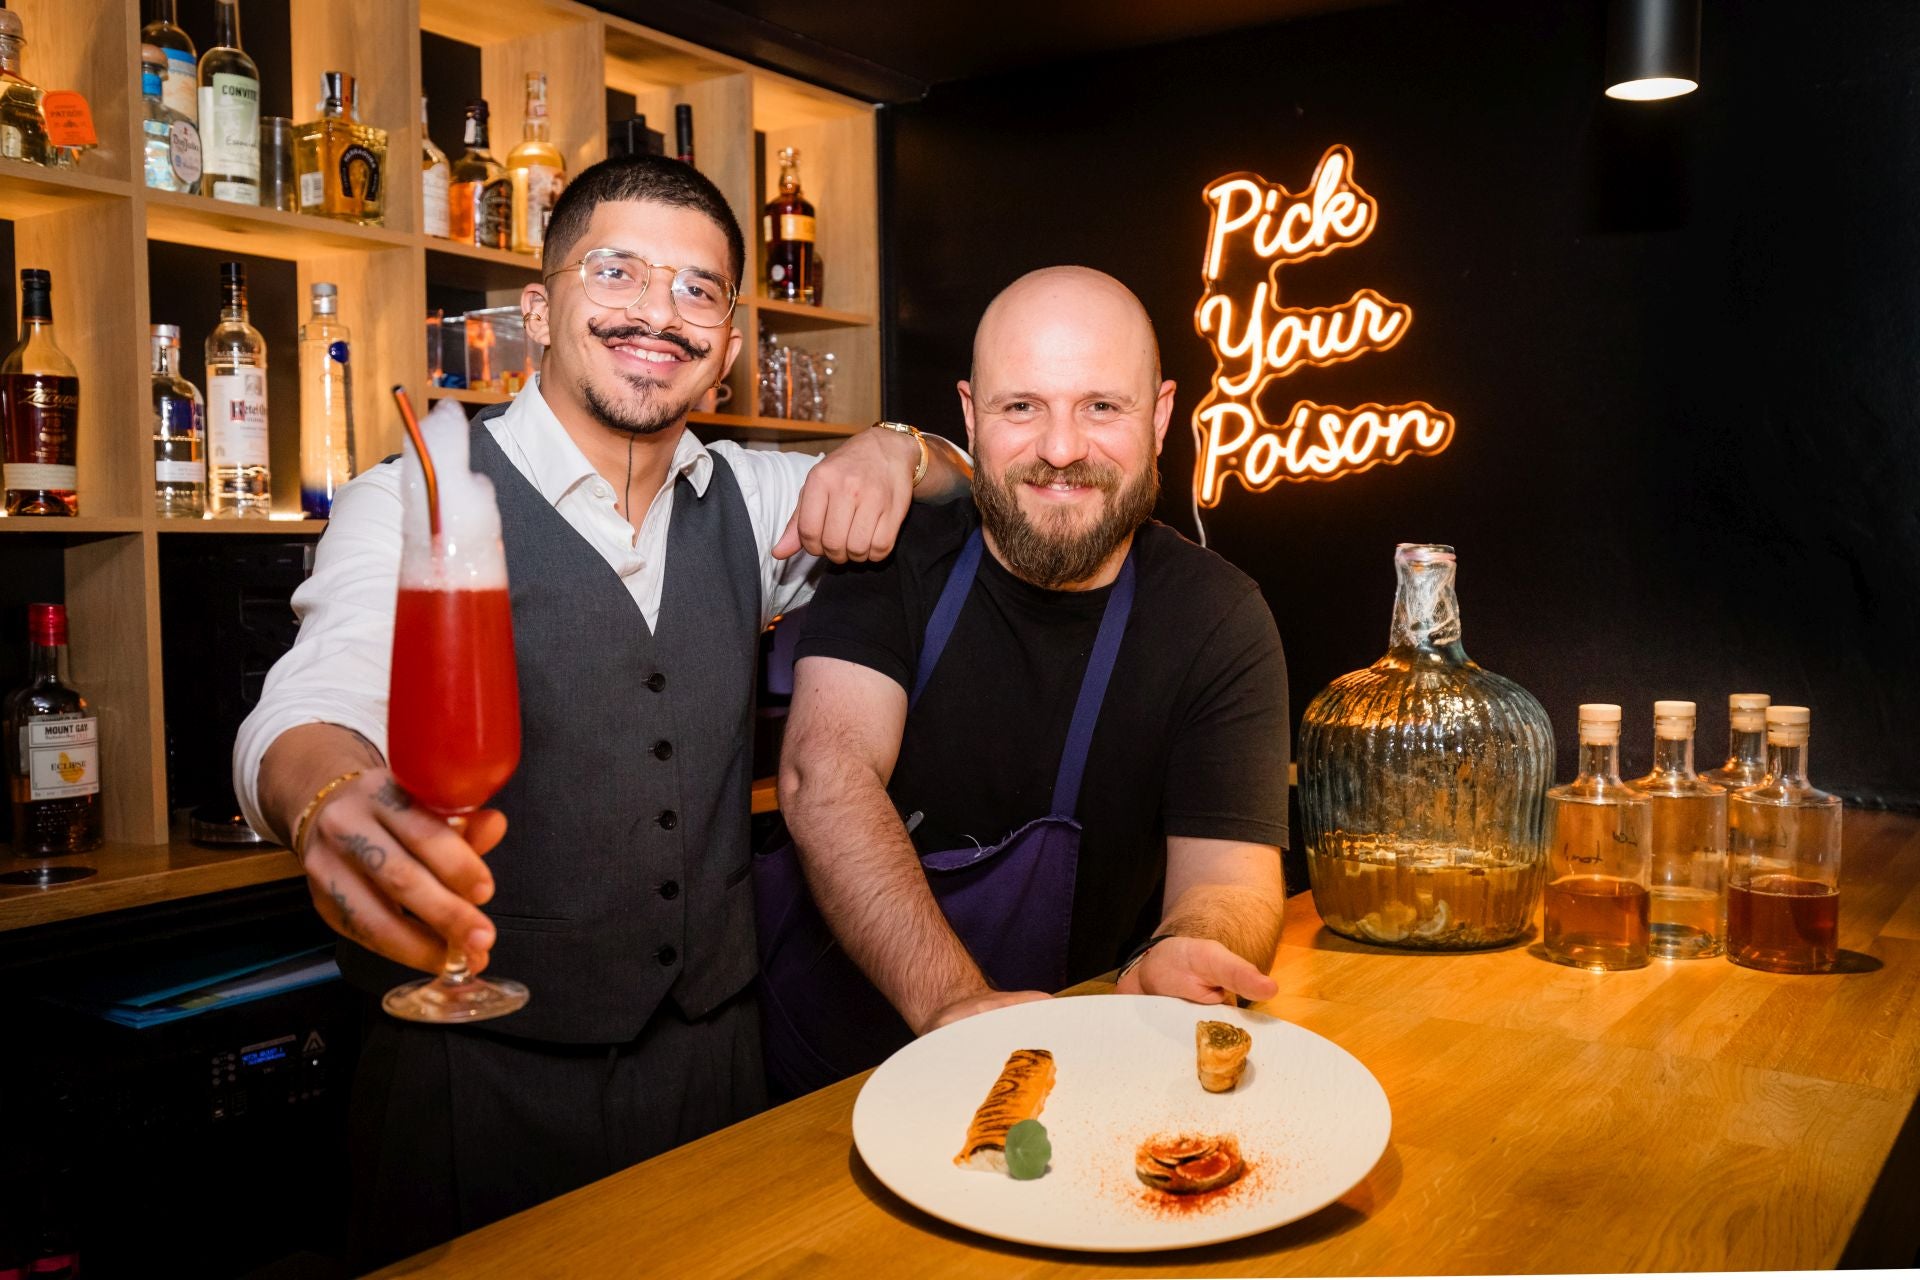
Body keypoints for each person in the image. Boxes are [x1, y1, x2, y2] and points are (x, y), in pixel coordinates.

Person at [233, 155, 968, 1267]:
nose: (656, 314)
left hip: (715, 1068)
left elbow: (965, 475)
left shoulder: (754, 496)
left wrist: (897, 446)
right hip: (480, 1086)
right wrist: (328, 793)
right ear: (539, 308)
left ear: (728, 343)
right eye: (616, 270)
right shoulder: (422, 493)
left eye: (697, 290)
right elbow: (313, 695)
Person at [760, 267, 1290, 1098]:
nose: (1062, 448)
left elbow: (1228, 872)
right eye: (1022, 407)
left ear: (1160, 417)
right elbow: (824, 772)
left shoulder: (1217, 616)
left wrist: (1189, 940)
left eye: (1102, 407)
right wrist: (955, 1001)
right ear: (971, 416)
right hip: (837, 1077)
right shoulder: (894, 555)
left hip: (1082, 1073)